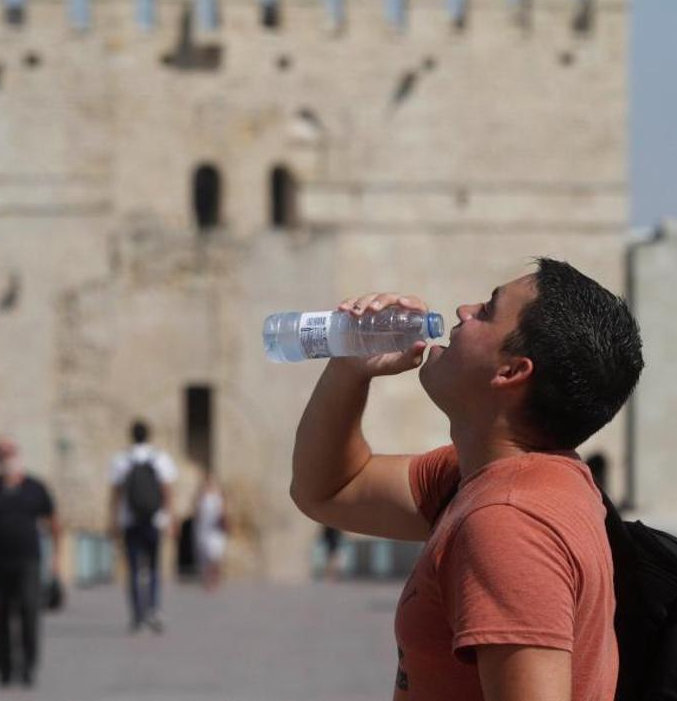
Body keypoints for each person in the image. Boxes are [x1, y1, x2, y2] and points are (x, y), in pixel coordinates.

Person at [290, 258, 643, 701]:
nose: (462, 310)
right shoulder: (481, 477)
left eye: (487, 311)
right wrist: (350, 369)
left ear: (512, 372)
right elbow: (331, 490)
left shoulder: (511, 523)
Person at [0, 436, 62, 688]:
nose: (7, 458)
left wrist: (56, 560)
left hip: (28, 562)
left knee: (30, 614)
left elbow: (53, 524)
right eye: (2, 453)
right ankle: (5, 669)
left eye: (10, 452)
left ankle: (28, 667)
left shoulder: (35, 488)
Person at [108, 419, 177, 633]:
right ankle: (154, 609)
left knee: (134, 569)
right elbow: (167, 491)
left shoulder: (121, 460)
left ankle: (137, 615)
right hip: (154, 521)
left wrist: (112, 520)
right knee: (154, 567)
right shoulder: (160, 458)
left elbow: (116, 494)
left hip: (130, 521)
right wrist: (170, 519)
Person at [193, 469, 228, 591]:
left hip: (216, 530)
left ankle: (215, 579)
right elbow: (197, 511)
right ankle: (207, 580)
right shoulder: (201, 494)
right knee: (206, 556)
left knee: (216, 555)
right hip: (204, 529)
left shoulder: (220, 493)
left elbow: (225, 510)